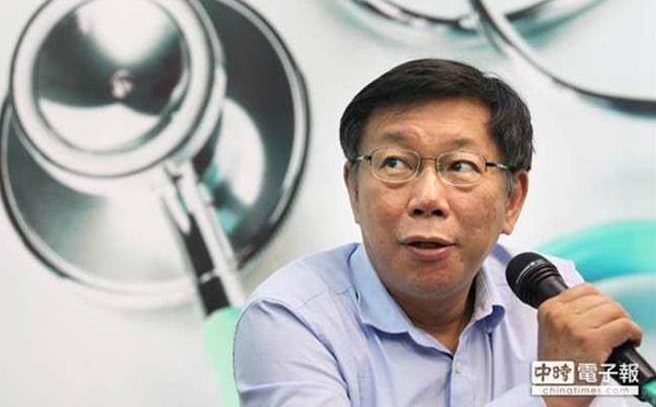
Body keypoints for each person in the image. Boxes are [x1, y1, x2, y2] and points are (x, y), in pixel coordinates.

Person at [233, 59, 642, 406]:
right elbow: (563, 393)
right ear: (354, 189)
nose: (428, 198)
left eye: (461, 166)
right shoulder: (290, 318)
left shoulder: (550, 295)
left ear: (512, 199)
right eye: (395, 163)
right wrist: (553, 392)